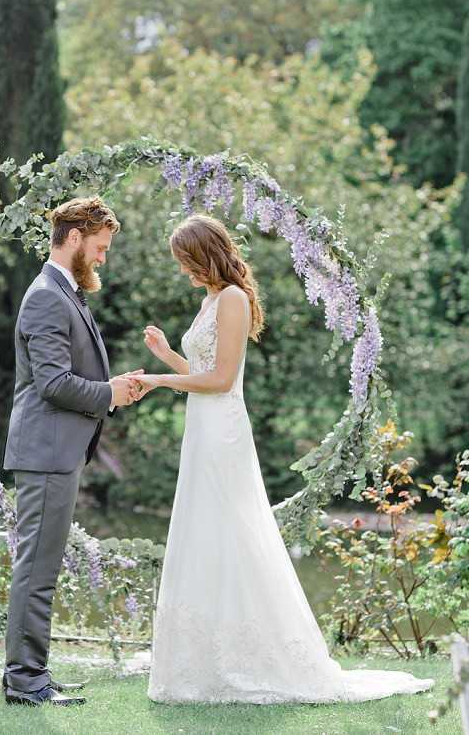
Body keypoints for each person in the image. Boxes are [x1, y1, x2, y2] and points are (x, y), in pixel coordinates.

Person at [131, 213, 435, 705]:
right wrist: (167, 356)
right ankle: (206, 659)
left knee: (233, 530)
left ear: (205, 253)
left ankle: (256, 654)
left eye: (186, 260)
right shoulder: (210, 298)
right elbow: (202, 373)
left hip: (223, 431)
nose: (183, 270)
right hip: (202, 429)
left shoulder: (231, 299)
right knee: (205, 531)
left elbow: (222, 381)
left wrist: (158, 381)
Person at [2, 196, 141, 708]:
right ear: (76, 236)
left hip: (56, 452)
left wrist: (112, 387)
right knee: (35, 570)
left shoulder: (64, 293)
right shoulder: (45, 296)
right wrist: (111, 393)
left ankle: (32, 672)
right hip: (45, 453)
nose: (103, 258)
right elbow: (54, 384)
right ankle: (24, 681)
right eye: (100, 247)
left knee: (41, 567)